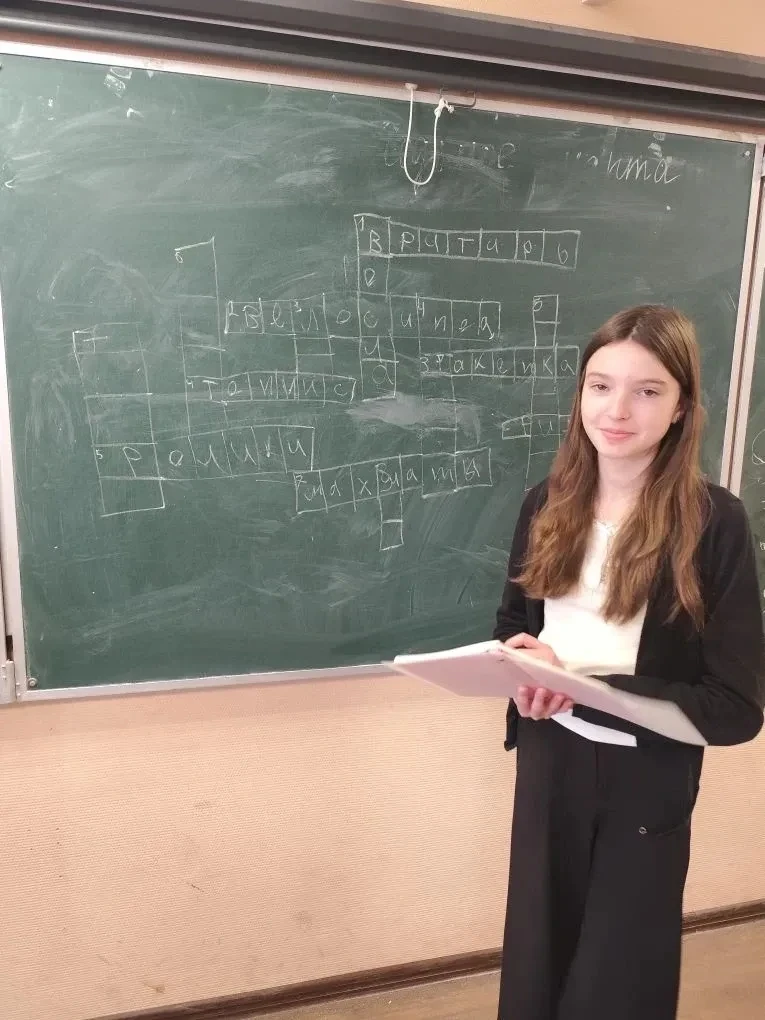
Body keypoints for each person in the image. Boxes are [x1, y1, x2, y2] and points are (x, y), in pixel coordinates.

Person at [493, 305, 765, 1020]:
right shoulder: (545, 503)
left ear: (680, 408)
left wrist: (586, 687)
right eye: (599, 385)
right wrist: (523, 674)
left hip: (645, 784)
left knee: (616, 983)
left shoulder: (714, 523)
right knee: (536, 968)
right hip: (549, 763)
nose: (616, 410)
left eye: (647, 391)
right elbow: (513, 627)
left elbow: (734, 709)